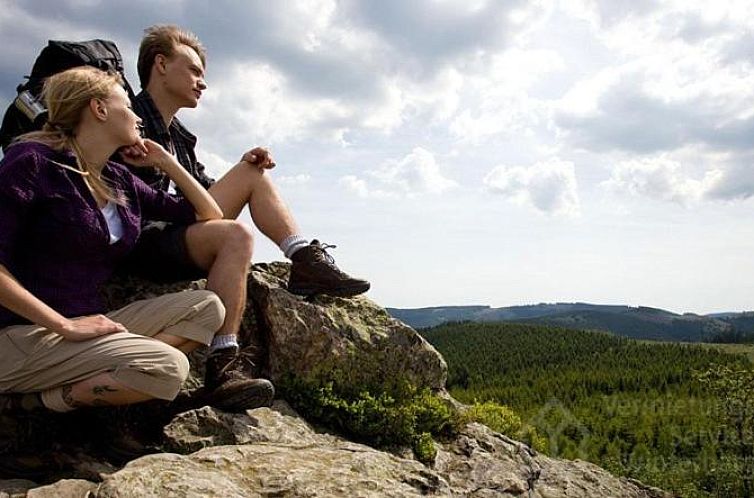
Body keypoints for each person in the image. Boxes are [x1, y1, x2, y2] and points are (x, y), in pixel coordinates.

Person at [0, 66, 274, 417]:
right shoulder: (32, 163)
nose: (136, 116)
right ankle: (32, 405)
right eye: (127, 106)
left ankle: (101, 380)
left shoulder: (117, 178)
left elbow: (209, 214)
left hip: (86, 328)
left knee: (209, 308)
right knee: (170, 367)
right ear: (99, 109)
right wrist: (64, 325)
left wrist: (166, 162)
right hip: (23, 337)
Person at [119, 25, 370, 375]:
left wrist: (238, 170)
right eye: (193, 70)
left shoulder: (177, 135)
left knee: (252, 171)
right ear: (160, 65)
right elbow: (139, 202)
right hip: (143, 240)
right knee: (238, 229)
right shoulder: (129, 121)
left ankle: (303, 259)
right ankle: (224, 359)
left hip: (173, 233)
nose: (201, 82)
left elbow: (201, 189)